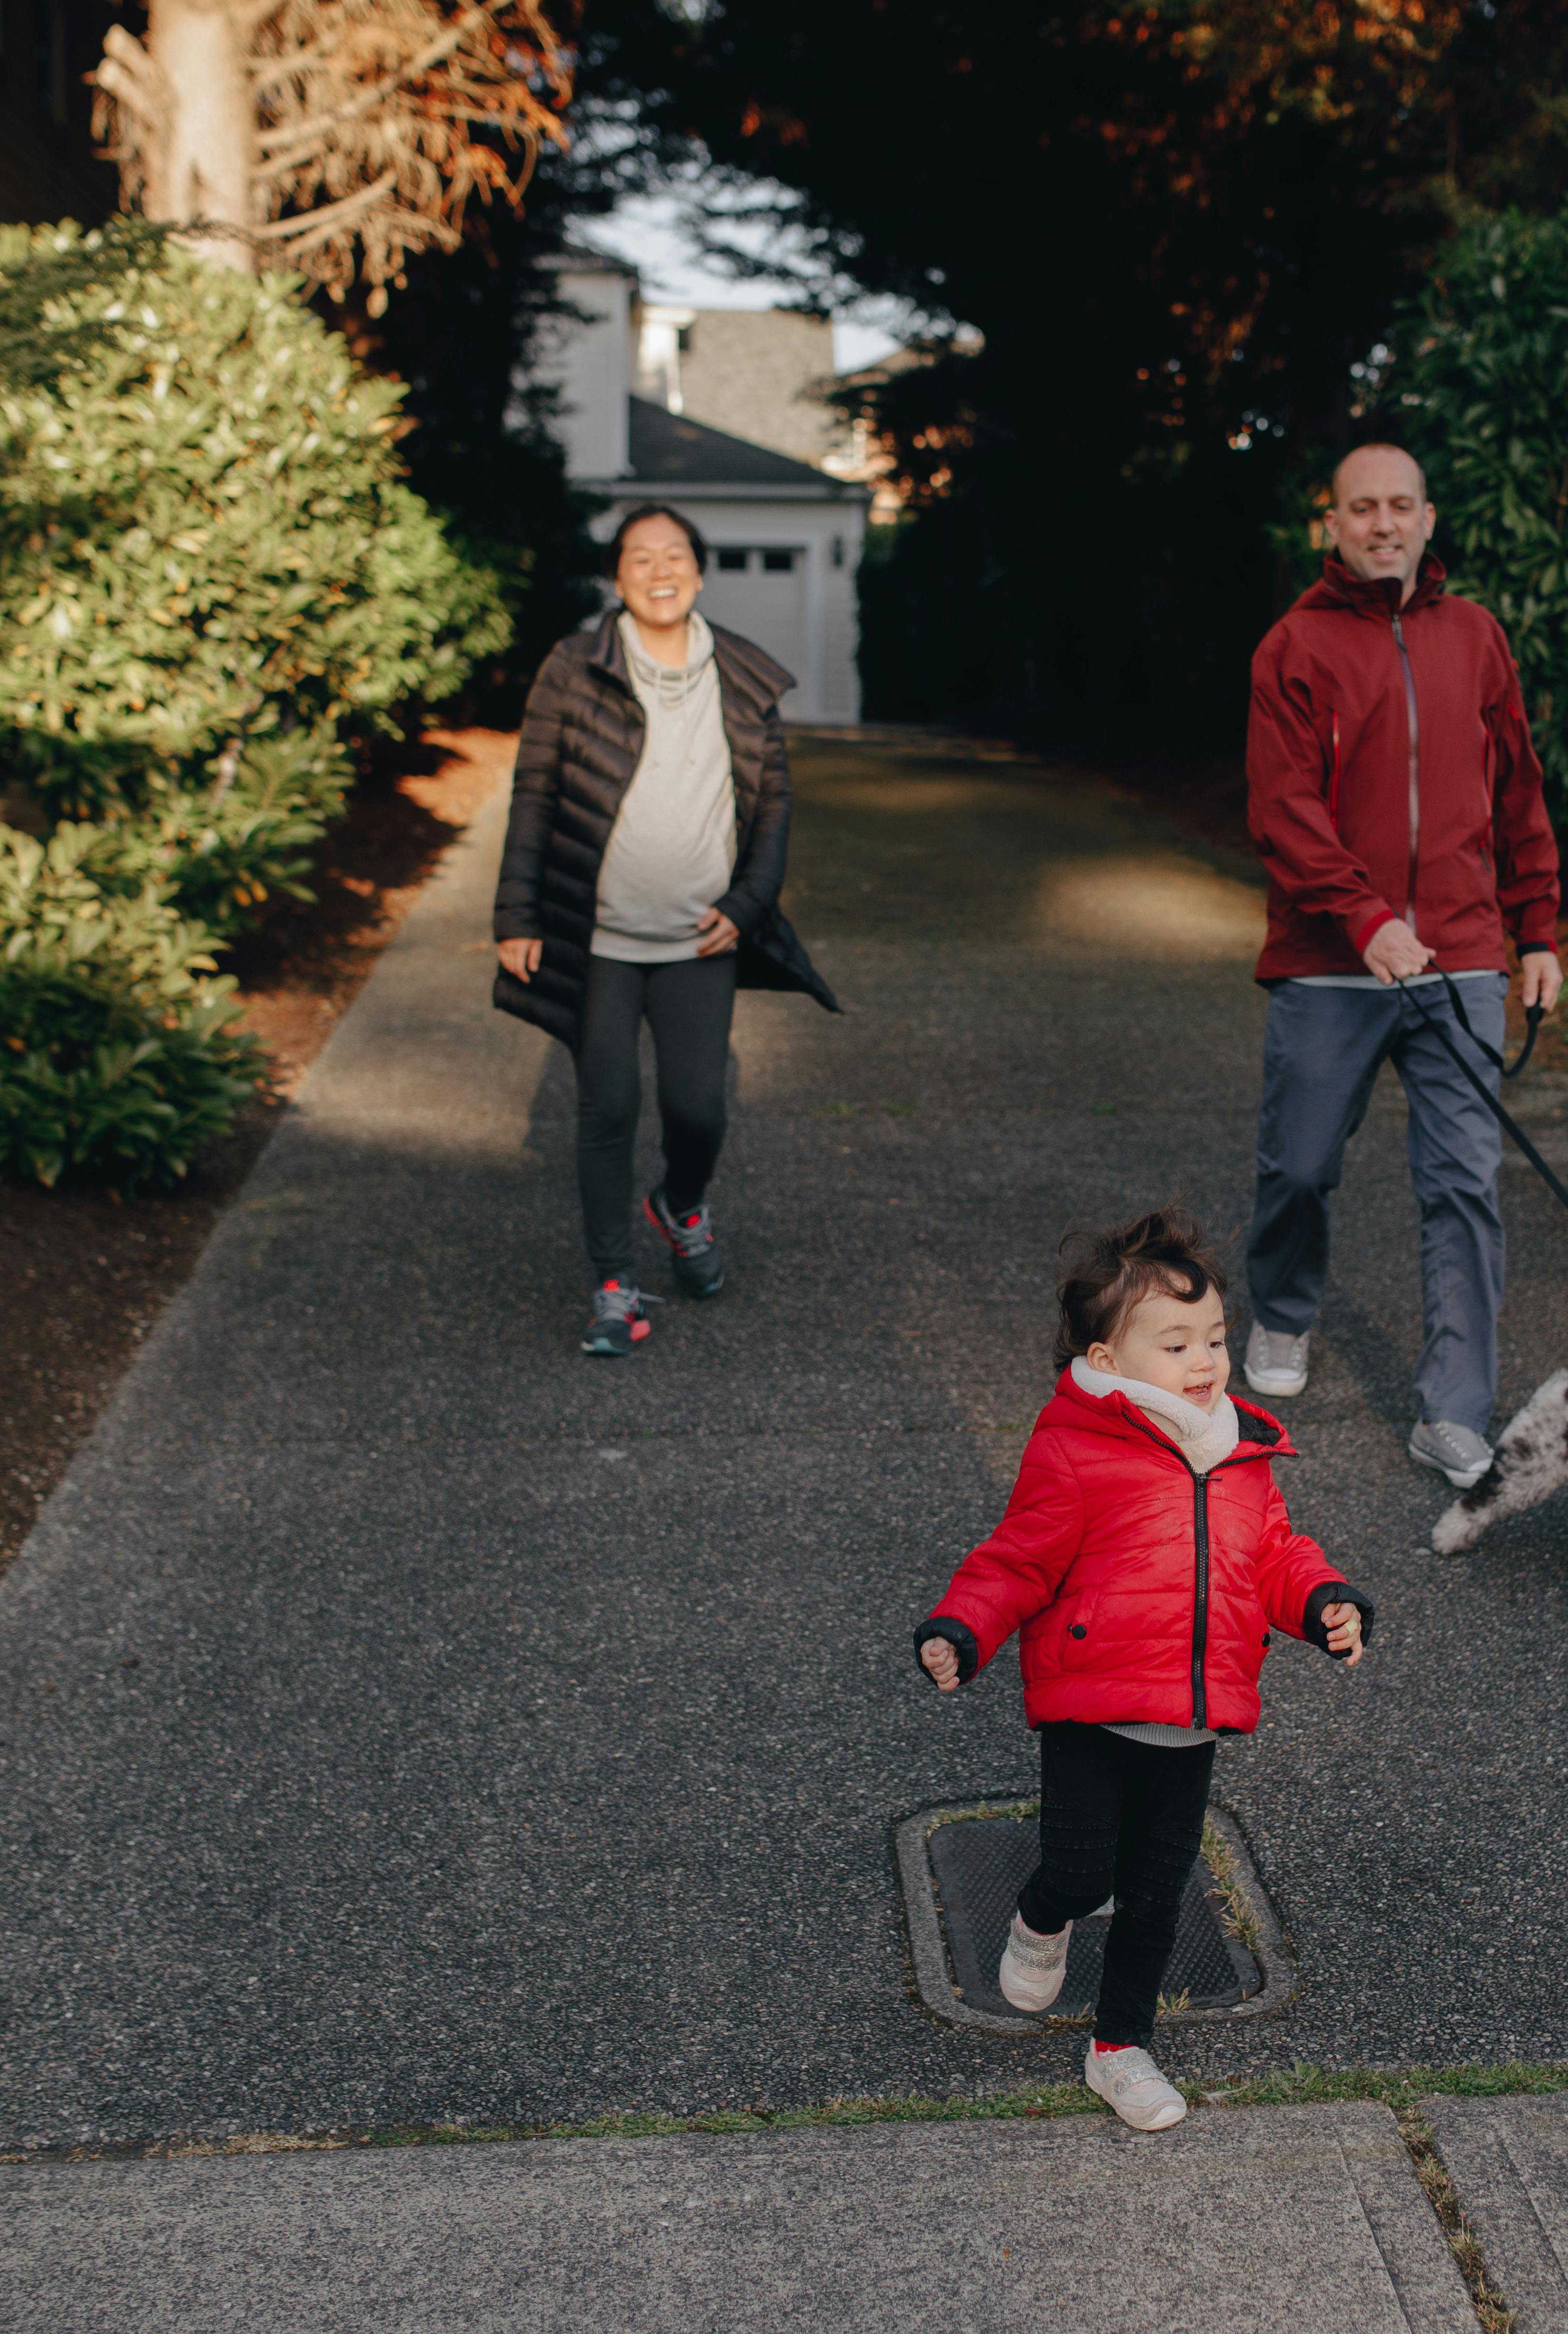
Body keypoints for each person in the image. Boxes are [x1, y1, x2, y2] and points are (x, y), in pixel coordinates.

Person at [914, 1205, 1372, 2133]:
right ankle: (1042, 1919)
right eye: (1176, 1343)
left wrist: (1323, 1599)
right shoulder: (1078, 1446)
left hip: (1193, 1713)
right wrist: (964, 1628)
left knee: (1159, 1890)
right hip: (1092, 1706)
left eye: (1214, 1337)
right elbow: (1019, 1558)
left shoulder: (1240, 1450)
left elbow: (1272, 1553)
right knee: (1081, 1870)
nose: (1204, 1360)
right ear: (1110, 1360)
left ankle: (1121, 2048)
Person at [1242, 433, 1563, 1486]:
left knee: (1464, 1184)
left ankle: (1456, 1409)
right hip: (1333, 958)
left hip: (1462, 955)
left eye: (1401, 506)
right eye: (1361, 506)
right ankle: (1284, 1313)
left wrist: (1539, 928)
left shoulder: (1477, 636)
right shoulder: (1294, 646)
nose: (1383, 522)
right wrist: (1365, 915)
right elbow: (1282, 810)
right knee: (1298, 1163)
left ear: (1429, 521)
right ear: (1333, 524)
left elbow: (1517, 790)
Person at [492, 503, 838, 1355]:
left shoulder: (745, 675)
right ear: (618, 578)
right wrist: (516, 912)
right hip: (595, 936)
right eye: (639, 557)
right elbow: (534, 791)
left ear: (699, 570)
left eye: (674, 553)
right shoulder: (575, 668)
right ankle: (614, 1284)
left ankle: (683, 1203)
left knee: (697, 1110)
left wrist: (748, 905)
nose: (658, 569)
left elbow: (774, 809)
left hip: (699, 938)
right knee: (607, 1104)